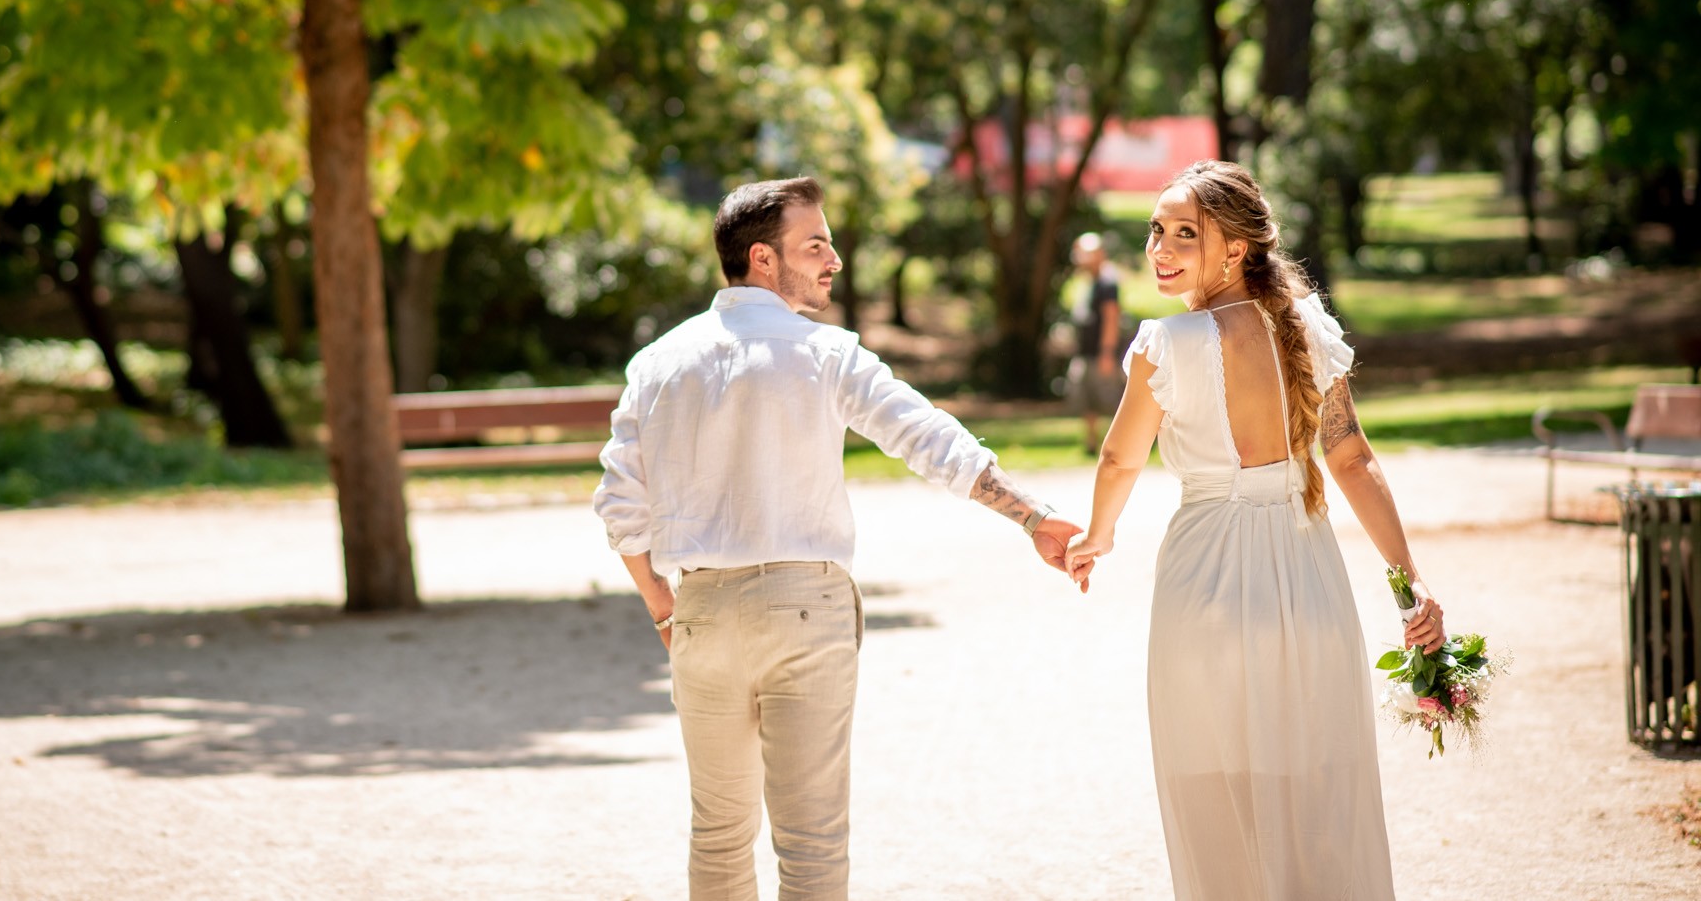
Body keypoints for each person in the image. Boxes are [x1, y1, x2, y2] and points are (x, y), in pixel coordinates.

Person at [593, 176, 1080, 901]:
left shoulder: (659, 363)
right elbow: (926, 437)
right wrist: (1032, 516)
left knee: (718, 834)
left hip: (700, 610)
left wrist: (664, 607)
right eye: (815, 243)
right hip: (803, 608)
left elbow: (619, 504)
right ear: (762, 258)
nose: (835, 260)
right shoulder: (825, 353)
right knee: (812, 843)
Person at [1064, 160, 1446, 901]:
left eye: (1184, 233)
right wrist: (1411, 578)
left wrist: (1098, 534)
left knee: (1214, 777)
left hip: (1205, 579)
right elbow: (1351, 456)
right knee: (1310, 774)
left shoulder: (1165, 345)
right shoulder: (1308, 327)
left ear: (1236, 248)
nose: (1160, 248)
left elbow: (1118, 456)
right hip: (1306, 570)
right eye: (1156, 230)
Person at [1064, 231, 1125, 457]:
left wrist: (1107, 352)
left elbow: (1111, 318)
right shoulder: (1086, 282)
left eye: (1087, 254)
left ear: (1100, 255)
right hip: (1084, 352)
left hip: (1100, 354)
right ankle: (1091, 444)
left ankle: (1127, 444)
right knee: (1087, 401)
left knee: (1111, 402)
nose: (1081, 258)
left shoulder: (1108, 283)